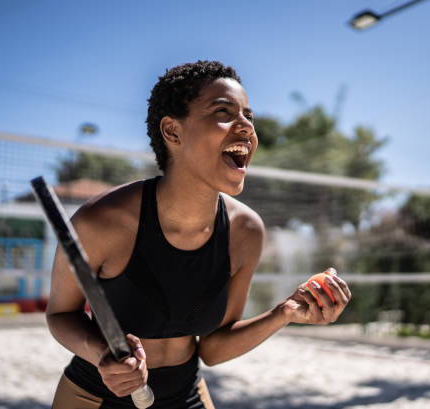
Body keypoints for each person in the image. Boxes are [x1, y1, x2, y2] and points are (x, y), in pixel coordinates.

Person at [48, 60, 352, 409]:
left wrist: (284, 312)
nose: (246, 127)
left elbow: (213, 348)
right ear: (172, 131)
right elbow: (60, 315)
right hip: (93, 396)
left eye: (249, 117)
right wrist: (102, 353)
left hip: (188, 394)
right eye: (224, 112)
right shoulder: (101, 221)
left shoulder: (246, 231)